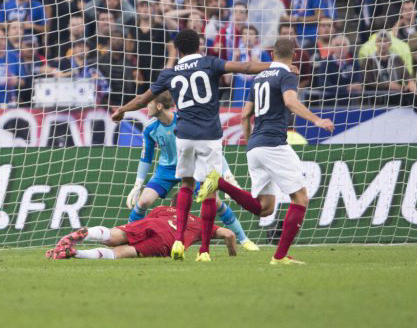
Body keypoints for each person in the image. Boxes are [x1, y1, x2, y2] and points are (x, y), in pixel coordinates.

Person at [111, 29, 273, 262]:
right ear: (199, 45)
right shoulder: (210, 63)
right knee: (210, 190)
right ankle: (204, 250)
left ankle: (178, 239)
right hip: (209, 135)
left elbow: (142, 99)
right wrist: (275, 68)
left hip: (184, 136)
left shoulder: (170, 73)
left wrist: (122, 111)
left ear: (177, 50)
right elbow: (244, 68)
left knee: (187, 184)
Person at [197, 37, 334, 265]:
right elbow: (290, 102)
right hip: (273, 144)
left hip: (255, 145)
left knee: (264, 208)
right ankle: (280, 256)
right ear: (294, 56)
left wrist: (251, 143)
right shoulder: (287, 75)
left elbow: (244, 115)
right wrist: (316, 120)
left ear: (271, 55)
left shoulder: (259, 77)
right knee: (300, 198)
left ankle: (219, 183)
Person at [126, 91, 259, 251]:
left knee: (215, 203)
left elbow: (210, 147)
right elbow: (146, 157)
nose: (147, 106)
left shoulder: (183, 122)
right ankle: (127, 236)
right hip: (165, 170)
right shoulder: (149, 128)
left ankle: (244, 239)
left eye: (150, 103)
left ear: (159, 106)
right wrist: (138, 184)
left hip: (191, 167)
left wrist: (227, 174)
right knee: (143, 202)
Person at [46, 206, 237, 260]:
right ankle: (76, 254)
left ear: (173, 204)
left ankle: (86, 233)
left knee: (114, 235)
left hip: (153, 222)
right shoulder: (200, 223)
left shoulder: (163, 209)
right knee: (123, 252)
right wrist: (233, 255)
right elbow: (229, 235)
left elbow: (148, 222)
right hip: (169, 240)